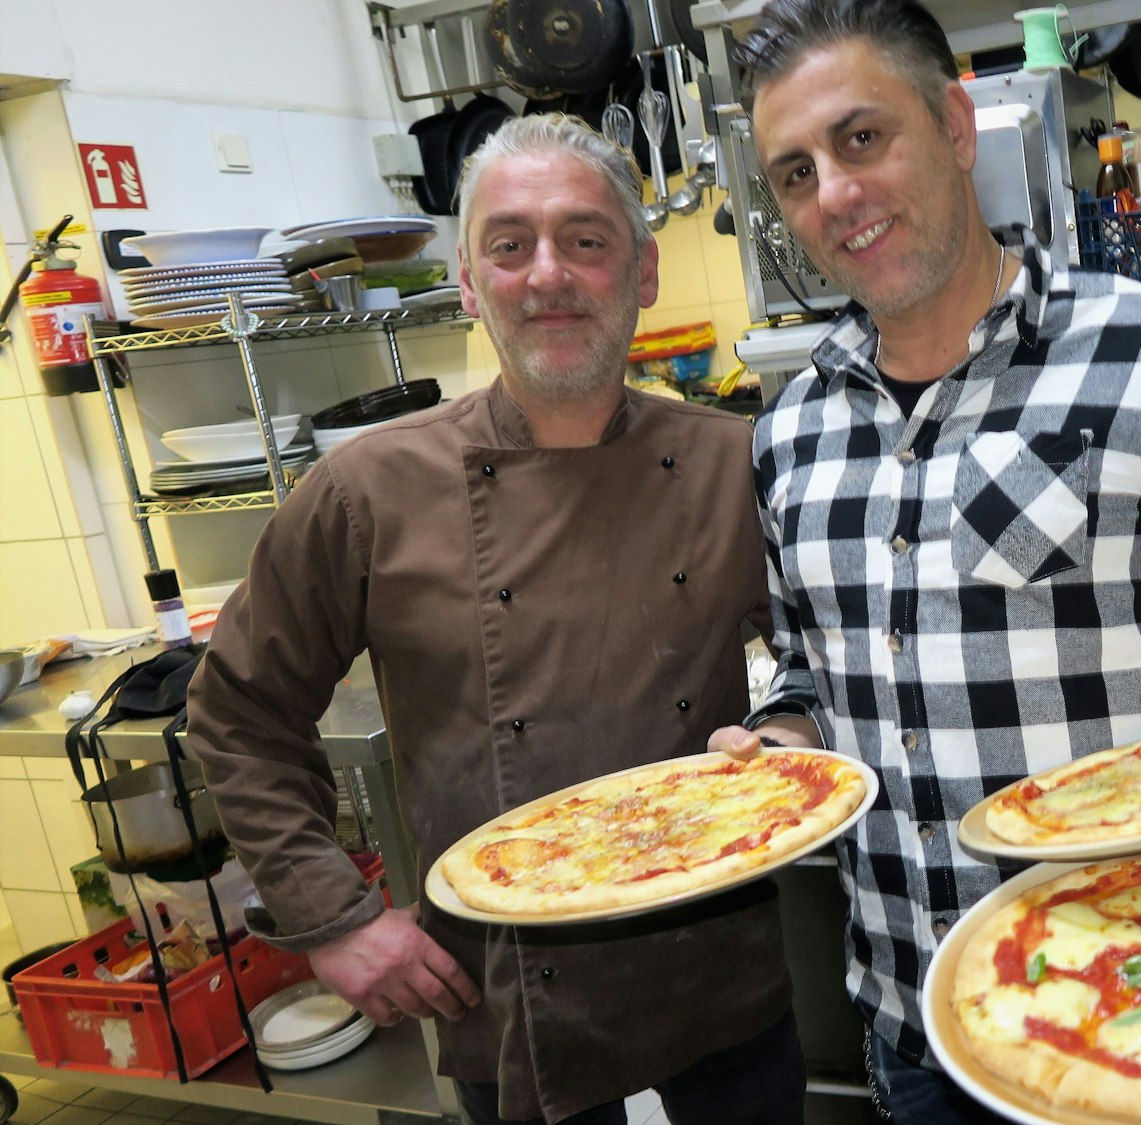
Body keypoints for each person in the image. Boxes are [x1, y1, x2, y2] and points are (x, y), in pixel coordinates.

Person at [708, 2, 1141, 1120]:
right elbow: (805, 678)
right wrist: (778, 746)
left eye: (861, 138)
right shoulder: (789, 434)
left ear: (957, 126)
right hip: (911, 1028)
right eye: (792, 173)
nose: (831, 195)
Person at [188, 114, 805, 1125]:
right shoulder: (366, 490)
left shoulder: (731, 463)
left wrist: (790, 730)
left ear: (641, 274)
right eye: (509, 246)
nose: (548, 274)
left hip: (716, 980)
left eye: (586, 240)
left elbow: (825, 664)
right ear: (469, 284)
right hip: (507, 997)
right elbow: (239, 711)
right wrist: (334, 919)